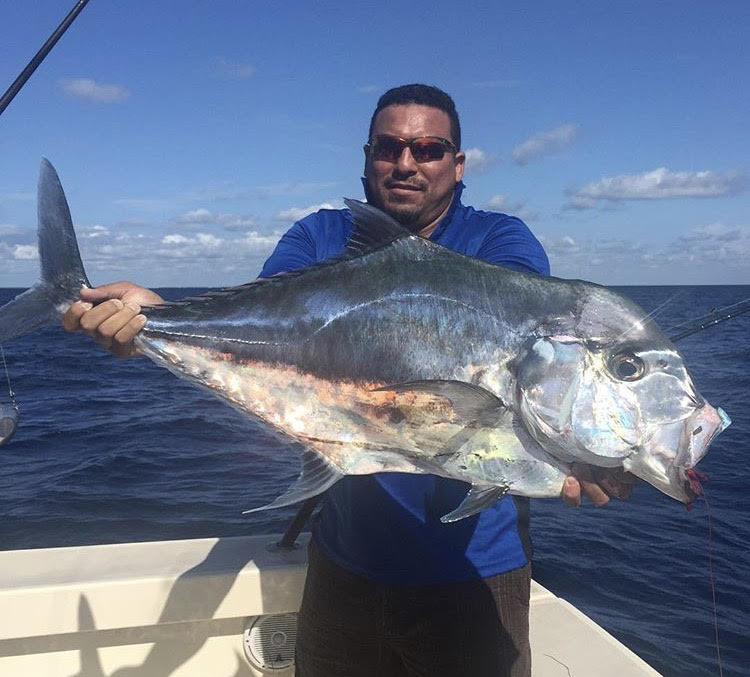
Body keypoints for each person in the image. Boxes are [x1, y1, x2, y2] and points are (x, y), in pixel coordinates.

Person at [63, 84, 633, 676]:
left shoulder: (499, 240)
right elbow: (257, 319)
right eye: (389, 148)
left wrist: (580, 440)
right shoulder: (321, 237)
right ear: (366, 157)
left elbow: (513, 338)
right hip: (344, 567)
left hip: (476, 576)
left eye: (429, 149)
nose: (406, 163)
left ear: (457, 164)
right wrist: (154, 321)